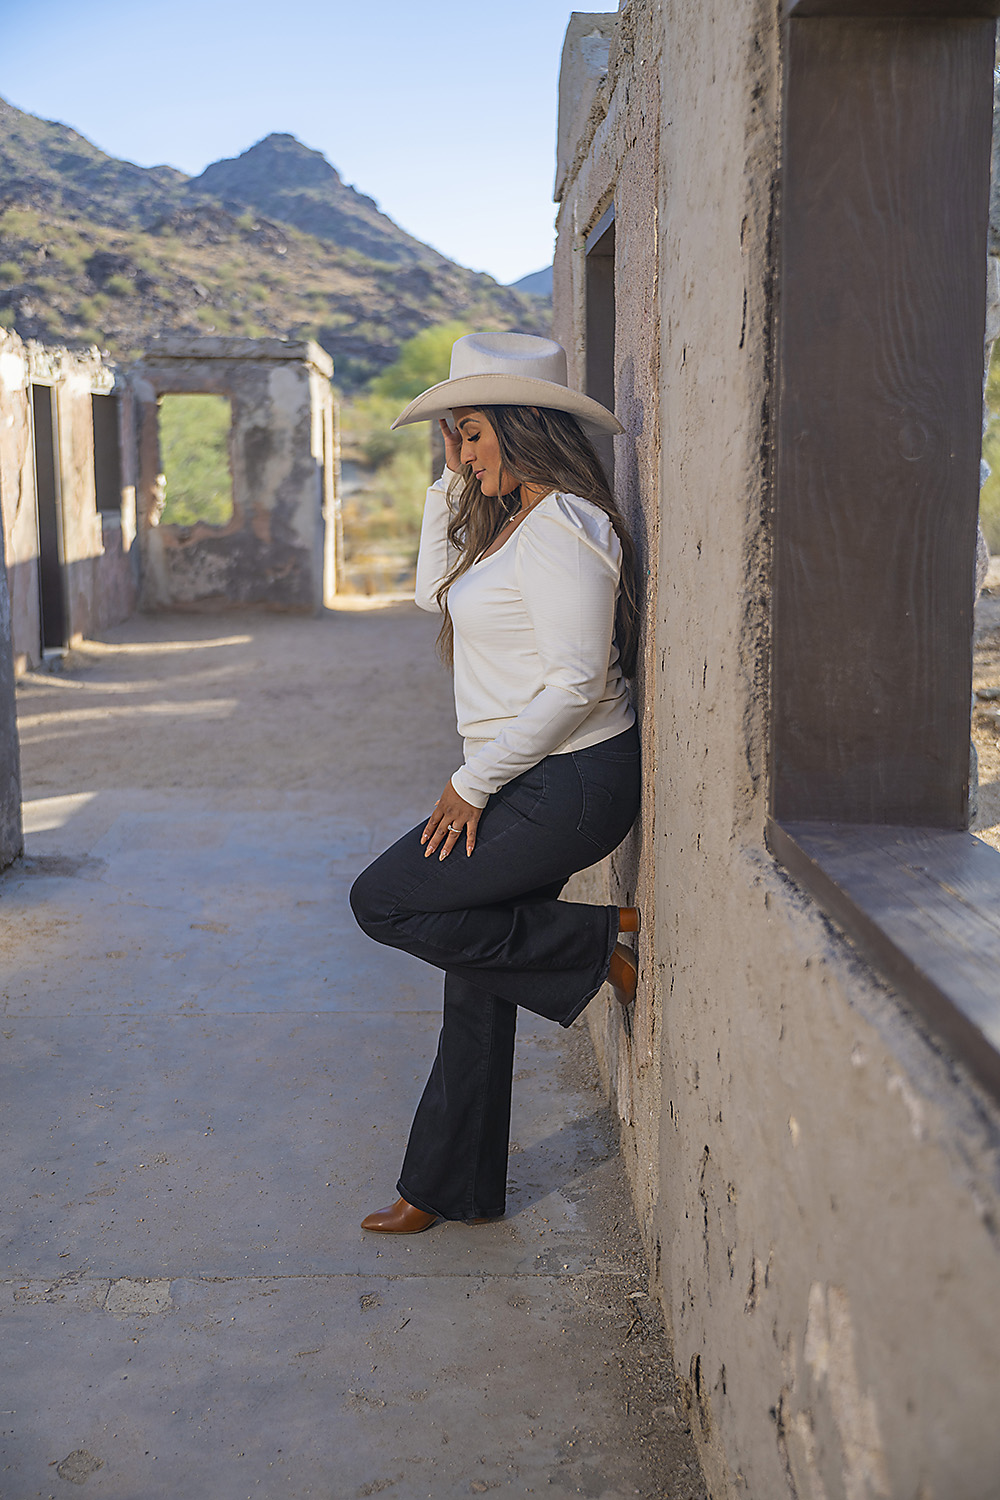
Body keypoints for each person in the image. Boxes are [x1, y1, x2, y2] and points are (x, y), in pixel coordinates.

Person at [349, 331, 642, 1233]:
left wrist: (473, 783)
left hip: (570, 782)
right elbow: (431, 592)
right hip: (530, 775)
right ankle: (447, 1189)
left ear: (524, 427)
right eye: (455, 434)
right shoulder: (513, 521)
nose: (463, 451)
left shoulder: (566, 528)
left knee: (385, 901)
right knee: (475, 971)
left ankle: (596, 943)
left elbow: (576, 683)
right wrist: (450, 480)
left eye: (472, 432)